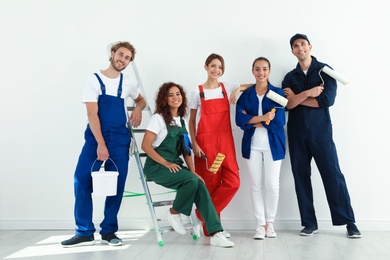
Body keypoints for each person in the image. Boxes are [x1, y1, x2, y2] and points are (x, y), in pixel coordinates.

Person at [61, 41, 146, 247]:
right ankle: (84, 231)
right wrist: (100, 143)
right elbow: (92, 113)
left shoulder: (128, 82)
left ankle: (109, 232)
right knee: (81, 180)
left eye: (127, 58)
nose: (123, 60)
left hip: (119, 139)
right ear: (112, 53)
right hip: (95, 138)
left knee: (116, 185)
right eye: (121, 54)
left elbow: (141, 100)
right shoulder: (94, 79)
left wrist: (137, 109)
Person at [282, 33, 361, 238]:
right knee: (301, 177)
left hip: (321, 132)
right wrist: (308, 93)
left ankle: (349, 222)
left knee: (333, 174)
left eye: (303, 44)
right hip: (297, 132)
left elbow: (326, 101)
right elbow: (288, 105)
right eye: (295, 46)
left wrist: (298, 98)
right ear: (292, 51)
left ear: (310, 46)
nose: (300, 48)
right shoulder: (290, 77)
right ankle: (309, 223)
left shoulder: (325, 72)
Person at [141, 82, 234, 248]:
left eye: (178, 94)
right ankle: (174, 212)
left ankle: (215, 232)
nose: (176, 97)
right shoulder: (158, 119)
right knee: (191, 181)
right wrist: (166, 163)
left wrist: (193, 171)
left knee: (198, 183)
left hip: (175, 166)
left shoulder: (182, 121)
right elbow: (145, 146)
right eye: (170, 95)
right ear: (164, 99)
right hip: (156, 167)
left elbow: (186, 150)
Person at [189, 53, 249, 238]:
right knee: (211, 186)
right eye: (213, 66)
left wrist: (236, 91)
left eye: (220, 67)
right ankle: (214, 229)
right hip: (206, 145)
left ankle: (201, 215)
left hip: (225, 144)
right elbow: (191, 121)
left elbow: (254, 85)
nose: (217, 70)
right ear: (206, 67)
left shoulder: (227, 87)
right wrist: (195, 144)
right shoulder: (196, 92)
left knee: (233, 182)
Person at [235, 57, 286, 240]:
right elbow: (239, 121)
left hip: (274, 145)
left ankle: (270, 223)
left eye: (264, 69)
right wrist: (264, 118)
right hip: (252, 146)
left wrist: (252, 119)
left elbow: (279, 122)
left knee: (272, 185)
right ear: (253, 71)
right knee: (256, 186)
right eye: (257, 69)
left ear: (269, 71)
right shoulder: (246, 95)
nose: (261, 72)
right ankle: (260, 225)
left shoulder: (277, 93)